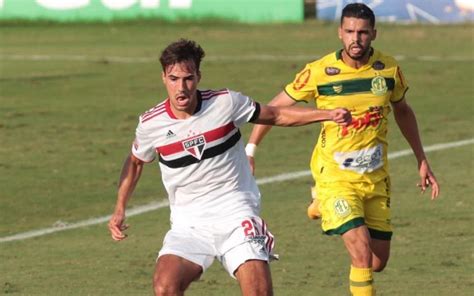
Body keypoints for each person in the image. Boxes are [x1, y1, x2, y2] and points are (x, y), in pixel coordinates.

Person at [108, 38, 351, 296]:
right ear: (163, 78)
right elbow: (135, 161)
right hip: (188, 223)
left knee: (258, 291)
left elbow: (276, 114)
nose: (181, 87)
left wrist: (327, 114)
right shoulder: (151, 124)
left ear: (199, 76)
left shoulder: (226, 103)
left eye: (188, 78)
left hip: (236, 213)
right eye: (174, 79)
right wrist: (120, 208)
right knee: (165, 287)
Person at [246, 3, 440, 296]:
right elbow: (272, 110)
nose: (355, 39)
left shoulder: (388, 71)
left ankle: (321, 205)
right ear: (339, 33)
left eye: (362, 32)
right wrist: (250, 149)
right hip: (335, 177)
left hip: (375, 178)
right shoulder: (319, 72)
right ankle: (326, 199)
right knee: (361, 253)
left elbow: (402, 111)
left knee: (376, 262)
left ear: (374, 34)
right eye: (349, 31)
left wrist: (421, 159)